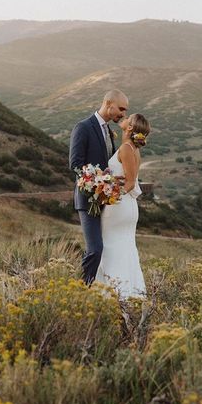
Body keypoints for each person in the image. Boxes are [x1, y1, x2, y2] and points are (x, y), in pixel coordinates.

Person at [69, 89, 129, 285]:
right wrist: (99, 181)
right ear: (108, 103)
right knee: (95, 248)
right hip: (87, 200)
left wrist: (112, 182)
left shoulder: (109, 132)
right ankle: (80, 287)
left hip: (106, 200)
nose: (123, 114)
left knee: (108, 249)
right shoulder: (83, 127)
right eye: (121, 109)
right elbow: (75, 164)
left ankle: (102, 288)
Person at [95, 113, 150, 299]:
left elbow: (130, 183)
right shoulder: (133, 149)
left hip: (119, 207)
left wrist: (108, 197)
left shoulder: (127, 148)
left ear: (129, 128)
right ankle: (130, 295)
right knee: (125, 249)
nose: (124, 118)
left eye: (128, 118)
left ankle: (114, 295)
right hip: (128, 207)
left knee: (111, 248)